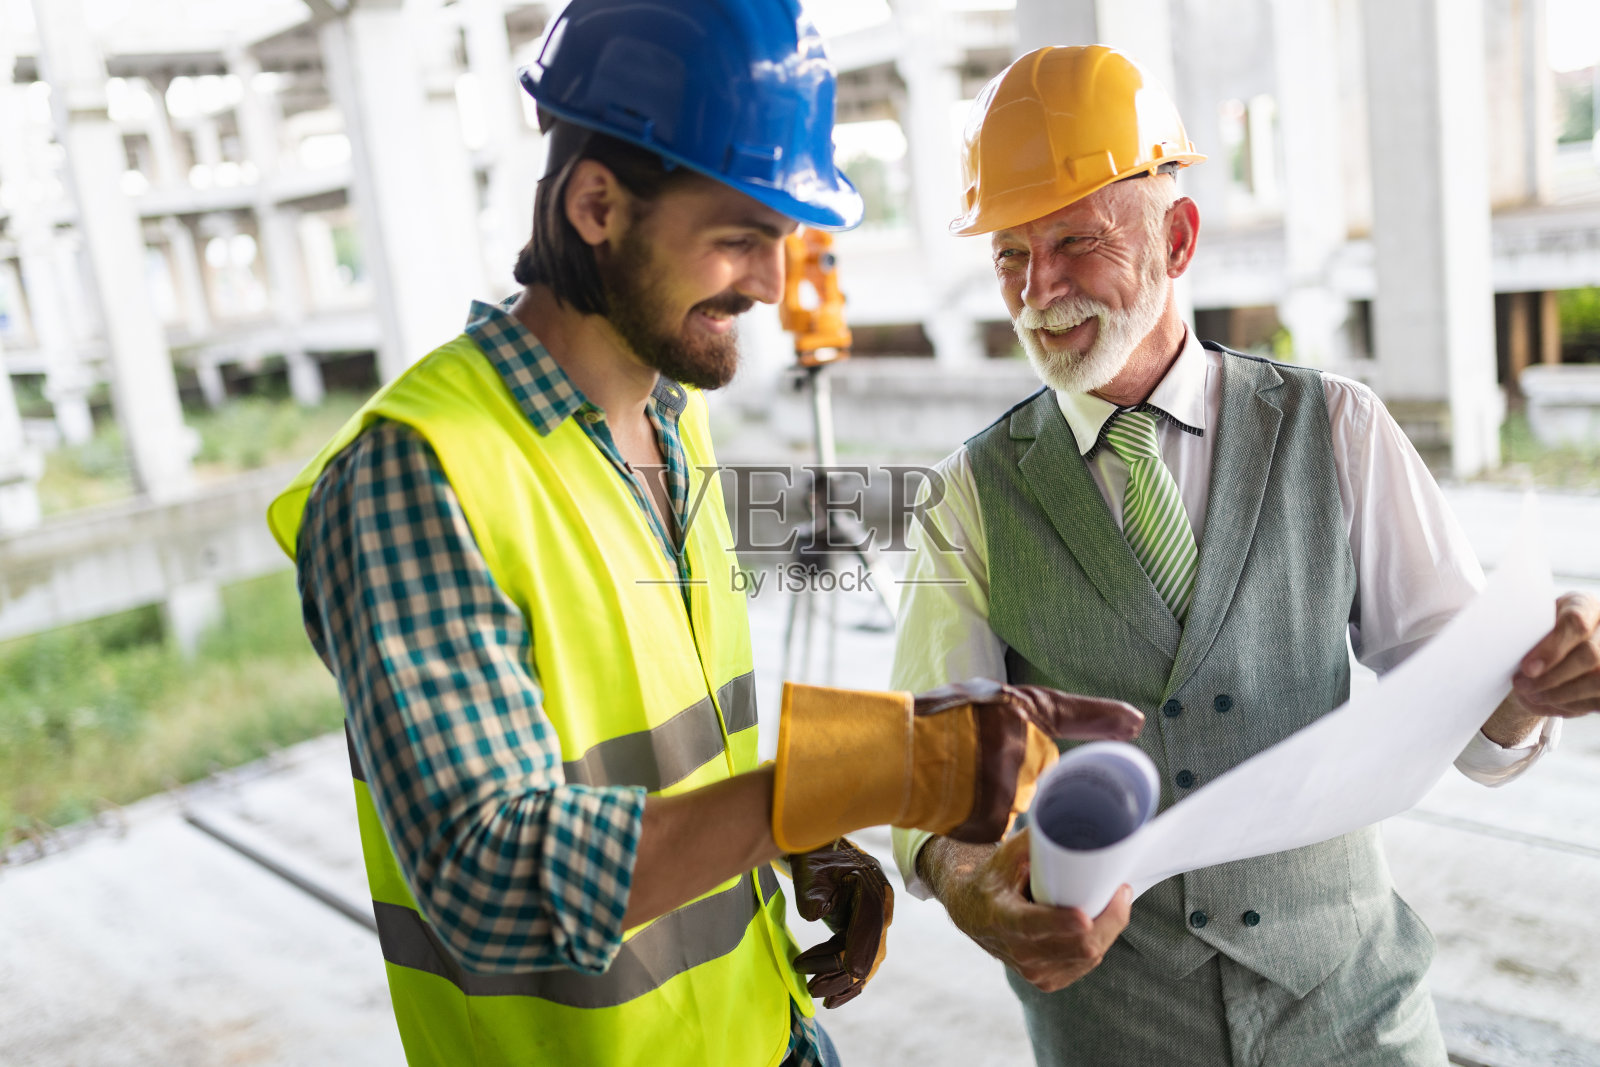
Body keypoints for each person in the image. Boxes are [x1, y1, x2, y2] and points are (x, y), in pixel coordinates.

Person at [266, 7, 1143, 1067]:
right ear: (596, 204)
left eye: (780, 238)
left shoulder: (674, 421)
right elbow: (490, 877)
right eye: (737, 236)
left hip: (764, 1028)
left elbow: (667, 751)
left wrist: (796, 838)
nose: (772, 285)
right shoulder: (418, 473)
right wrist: (881, 767)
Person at [890, 44, 1600, 1066]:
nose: (1037, 289)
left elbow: (1471, 712)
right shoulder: (967, 494)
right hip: (1119, 1032)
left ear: (1176, 236)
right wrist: (964, 884)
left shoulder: (1338, 429)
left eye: (1075, 242)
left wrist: (1537, 680)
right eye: (1009, 254)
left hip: (1354, 1017)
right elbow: (933, 770)